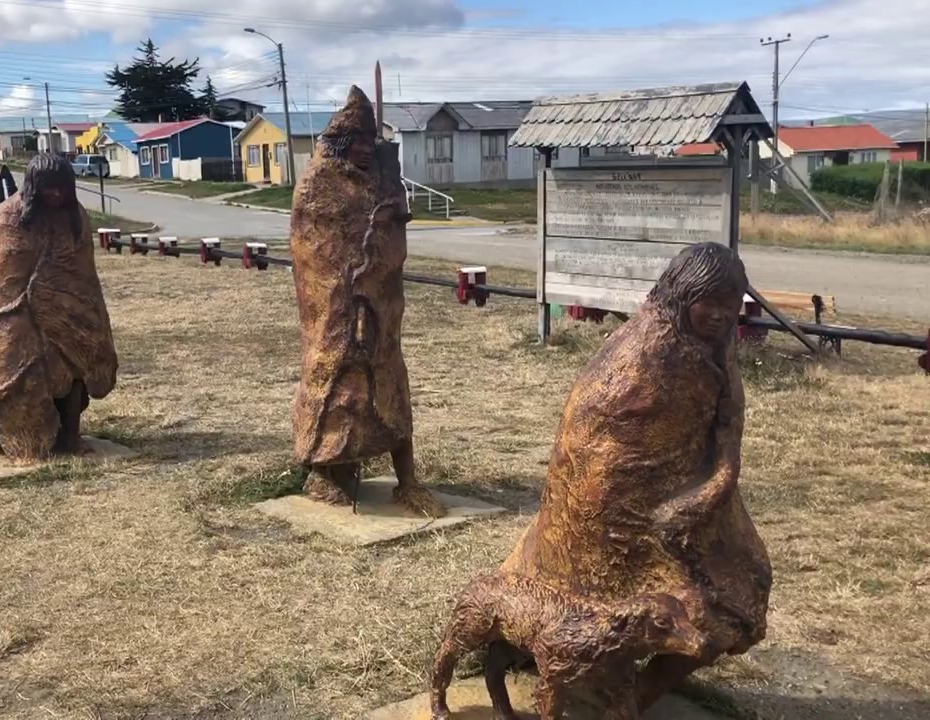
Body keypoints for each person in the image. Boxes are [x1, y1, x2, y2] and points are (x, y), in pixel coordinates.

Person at [500, 242, 771, 709]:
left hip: (690, 501)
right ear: (683, 297)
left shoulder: (712, 348)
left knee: (748, 581)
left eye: (731, 307)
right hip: (613, 520)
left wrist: (720, 477)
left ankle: (637, 696)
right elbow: (594, 446)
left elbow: (727, 420)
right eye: (710, 303)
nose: (721, 317)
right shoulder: (643, 355)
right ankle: (618, 691)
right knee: (696, 610)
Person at [289, 86, 446, 518]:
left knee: (390, 381)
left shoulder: (378, 181)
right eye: (355, 142)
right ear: (339, 144)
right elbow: (316, 254)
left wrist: (390, 206)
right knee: (339, 384)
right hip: (338, 312)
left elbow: (388, 245)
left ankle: (407, 479)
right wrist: (349, 297)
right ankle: (327, 472)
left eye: (367, 142)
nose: (363, 150)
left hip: (382, 308)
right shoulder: (317, 187)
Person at [0, 154, 117, 461]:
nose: (57, 194)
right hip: (14, 309)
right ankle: (22, 438)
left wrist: (79, 305)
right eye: (50, 187)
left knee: (76, 366)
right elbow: (3, 271)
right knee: (15, 365)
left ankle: (71, 435)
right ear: (34, 185)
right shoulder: (7, 215)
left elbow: (83, 269)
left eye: (63, 187)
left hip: (69, 305)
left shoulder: (76, 216)